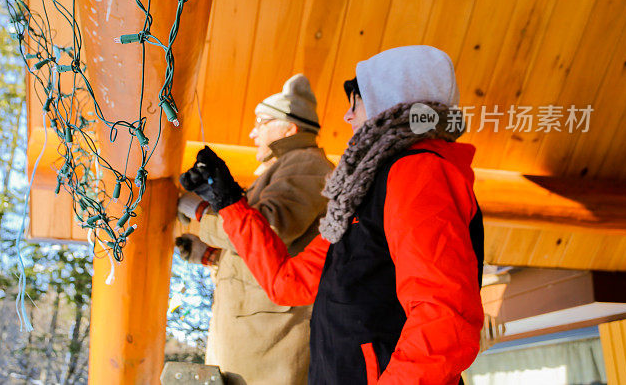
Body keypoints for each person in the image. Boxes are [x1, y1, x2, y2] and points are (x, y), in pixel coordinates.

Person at [181, 46, 485, 384]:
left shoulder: (418, 173)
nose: (347, 117)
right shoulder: (360, 194)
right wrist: (229, 202)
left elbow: (443, 320)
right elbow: (289, 283)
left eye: (355, 102)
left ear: (388, 100)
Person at [175, 74, 334, 385]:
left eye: (262, 122)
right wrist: (212, 257)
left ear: (290, 128)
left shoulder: (306, 164)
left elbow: (267, 229)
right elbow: (257, 249)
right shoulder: (286, 166)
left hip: (267, 341)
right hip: (253, 333)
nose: (252, 132)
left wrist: (198, 212)